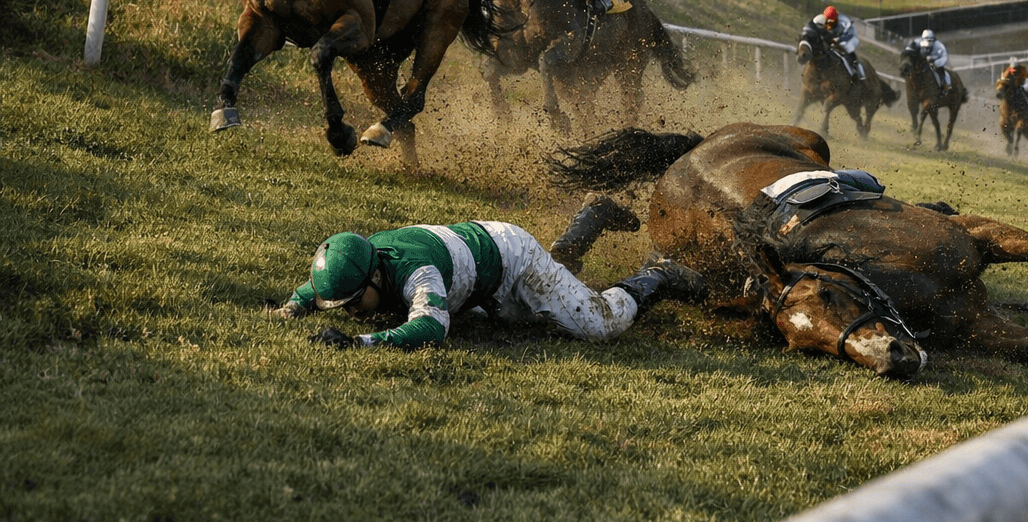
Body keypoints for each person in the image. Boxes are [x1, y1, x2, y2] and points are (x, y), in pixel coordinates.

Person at [272, 215, 705, 349]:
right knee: (520, 321)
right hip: (481, 266)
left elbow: (432, 327)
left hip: (511, 259)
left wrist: (359, 342)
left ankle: (658, 272)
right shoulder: (360, 257)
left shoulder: (417, 272)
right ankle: (589, 220)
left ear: (376, 274)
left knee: (599, 325)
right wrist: (291, 307)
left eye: (351, 303)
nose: (349, 312)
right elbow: (321, 287)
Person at [811, 4, 863, 81]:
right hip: (835, 36)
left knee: (846, 47)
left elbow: (849, 34)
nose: (828, 23)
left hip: (849, 37)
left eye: (830, 21)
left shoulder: (844, 21)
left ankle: (856, 67)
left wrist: (839, 39)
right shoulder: (822, 18)